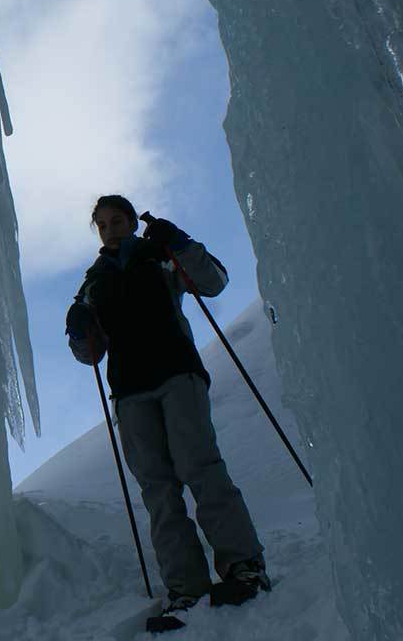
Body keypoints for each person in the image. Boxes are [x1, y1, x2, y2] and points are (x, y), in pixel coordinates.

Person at [66, 195, 268, 619]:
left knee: (199, 466)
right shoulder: (93, 283)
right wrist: (79, 331)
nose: (110, 229)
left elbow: (213, 282)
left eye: (116, 220)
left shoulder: (159, 253)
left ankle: (243, 564)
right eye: (102, 224)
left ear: (131, 222)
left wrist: (179, 242)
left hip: (177, 373)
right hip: (130, 390)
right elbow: (90, 356)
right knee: (158, 488)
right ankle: (185, 585)